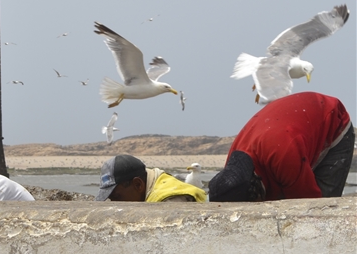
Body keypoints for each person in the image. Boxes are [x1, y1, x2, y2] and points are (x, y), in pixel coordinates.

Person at [209, 92, 353, 201]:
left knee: (320, 211)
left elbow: (308, 203)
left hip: (332, 120)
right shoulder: (233, 170)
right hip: (290, 130)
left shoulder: (284, 157)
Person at [96, 154, 207, 202]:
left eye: (117, 197)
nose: (113, 203)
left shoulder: (168, 201)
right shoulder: (156, 180)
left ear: (138, 185)